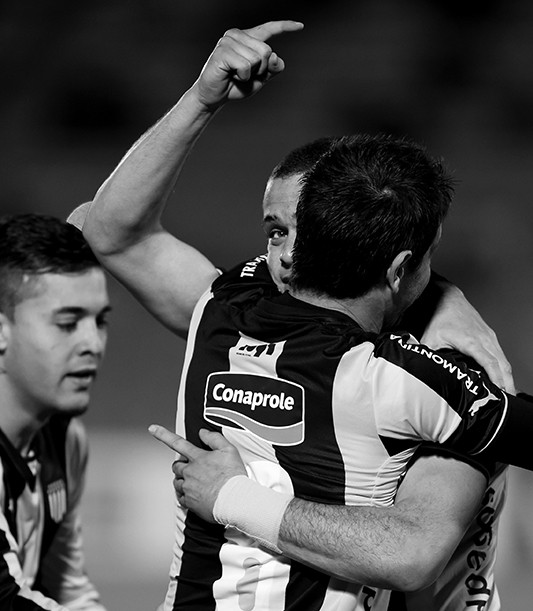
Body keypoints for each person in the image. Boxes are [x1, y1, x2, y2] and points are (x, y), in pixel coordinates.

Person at [73, 20, 516, 610]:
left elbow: (412, 552)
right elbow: (109, 229)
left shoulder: (438, 374)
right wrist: (201, 99)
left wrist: (233, 497)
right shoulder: (230, 313)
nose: (287, 256)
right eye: (274, 231)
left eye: (305, 233)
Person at [0, 214, 110, 610]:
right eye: (67, 323)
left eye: (99, 321)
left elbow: (64, 586)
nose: (92, 344)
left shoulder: (64, 440)